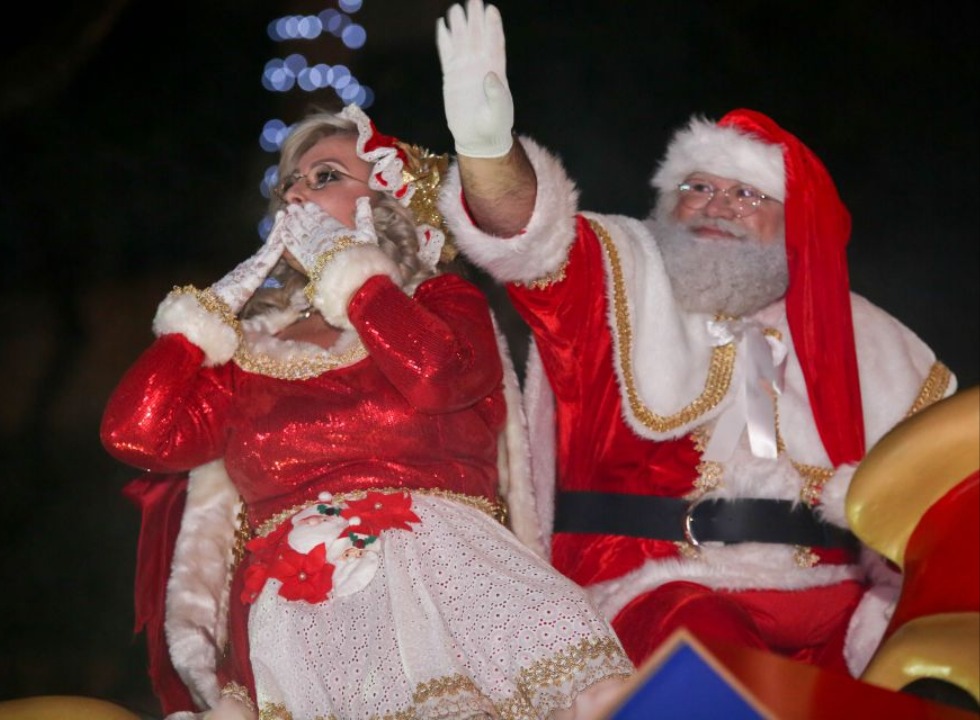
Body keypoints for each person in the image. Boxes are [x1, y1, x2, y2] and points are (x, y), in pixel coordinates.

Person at [434, 0, 958, 677]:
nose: (717, 205)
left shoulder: (878, 344)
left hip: (838, 608)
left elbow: (938, 504)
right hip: (657, 591)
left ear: (796, 224)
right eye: (698, 186)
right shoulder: (618, 277)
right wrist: (487, 149)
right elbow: (525, 233)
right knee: (712, 662)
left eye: (748, 195)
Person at [101, 104, 633, 720]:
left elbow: (438, 376)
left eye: (324, 176)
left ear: (385, 200)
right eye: (289, 183)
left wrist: (353, 273)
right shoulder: (247, 354)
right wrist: (202, 322)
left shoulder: (439, 300)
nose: (295, 195)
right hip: (310, 619)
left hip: (458, 591)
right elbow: (136, 435)